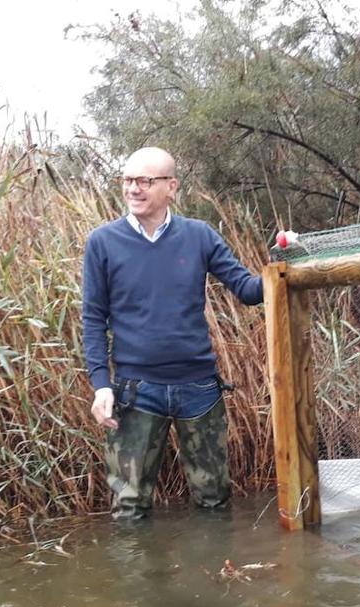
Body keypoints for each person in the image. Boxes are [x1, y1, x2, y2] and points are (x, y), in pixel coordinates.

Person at [81, 147, 263, 517]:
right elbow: (93, 318)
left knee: (214, 501)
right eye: (128, 180)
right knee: (129, 509)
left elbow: (248, 290)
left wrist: (282, 261)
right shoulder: (103, 242)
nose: (133, 188)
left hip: (198, 390)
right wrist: (101, 384)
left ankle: (216, 574)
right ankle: (139, 575)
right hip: (136, 393)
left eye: (145, 181)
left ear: (172, 187)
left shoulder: (199, 236)